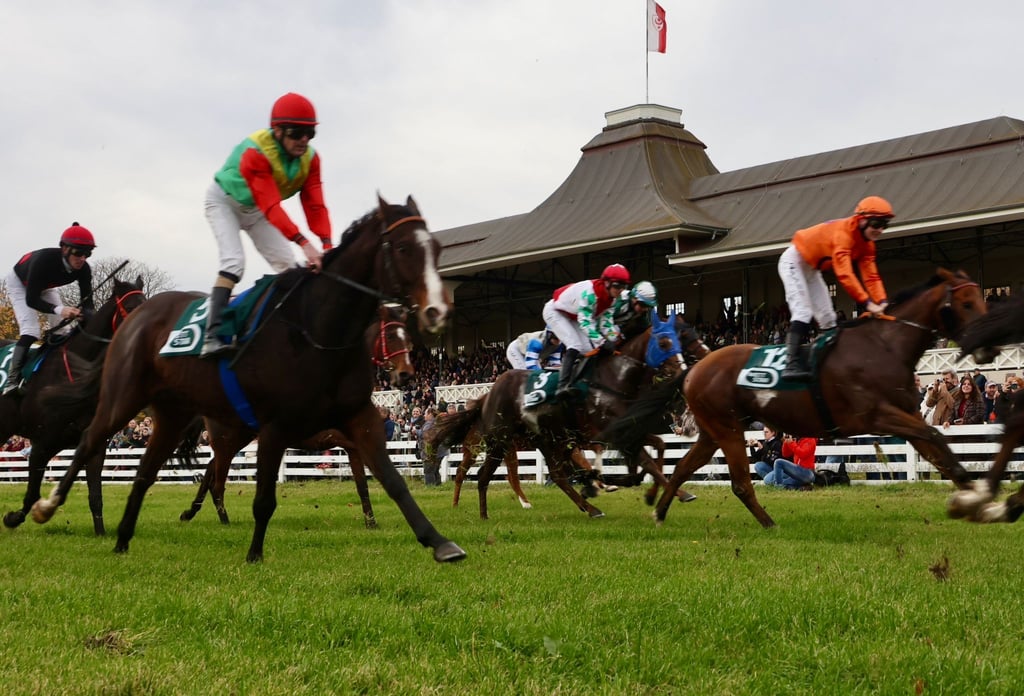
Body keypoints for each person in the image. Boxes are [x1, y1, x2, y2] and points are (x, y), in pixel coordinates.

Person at [200, 92, 333, 358]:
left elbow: (315, 205)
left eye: (310, 133)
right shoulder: (256, 153)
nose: (304, 140)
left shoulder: (311, 159)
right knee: (234, 263)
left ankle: (294, 331)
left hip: (258, 209)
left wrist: (327, 244)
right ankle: (211, 336)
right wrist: (304, 243)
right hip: (224, 202)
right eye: (297, 133)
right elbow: (271, 206)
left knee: (289, 267)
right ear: (278, 131)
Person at [777, 196, 894, 381]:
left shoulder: (868, 245)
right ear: (861, 219)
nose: (880, 230)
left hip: (812, 269)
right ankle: (790, 364)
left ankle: (825, 362)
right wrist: (868, 303)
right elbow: (845, 274)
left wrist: (882, 301)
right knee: (803, 312)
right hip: (793, 261)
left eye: (884, 225)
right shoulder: (843, 234)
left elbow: (871, 276)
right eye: (876, 223)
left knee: (828, 318)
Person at [4, 223, 96, 395]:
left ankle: (48, 370)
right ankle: (12, 380)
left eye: (87, 253)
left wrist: (86, 315)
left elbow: (88, 303)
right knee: (31, 331)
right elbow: (32, 300)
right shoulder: (43, 261)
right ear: (65, 249)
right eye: (78, 253)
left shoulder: (84, 269)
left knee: (63, 331)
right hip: (20, 284)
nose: (83, 258)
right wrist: (61, 310)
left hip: (45, 286)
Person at [542, 263, 631, 399]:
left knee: (589, 350)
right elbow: (585, 322)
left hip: (573, 315)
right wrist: (602, 342)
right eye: (617, 286)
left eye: (624, 286)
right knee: (575, 345)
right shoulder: (590, 294)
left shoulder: (612, 300)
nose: (620, 290)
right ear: (606, 283)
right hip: (555, 311)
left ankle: (579, 383)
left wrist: (614, 338)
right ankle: (562, 386)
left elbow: (606, 323)